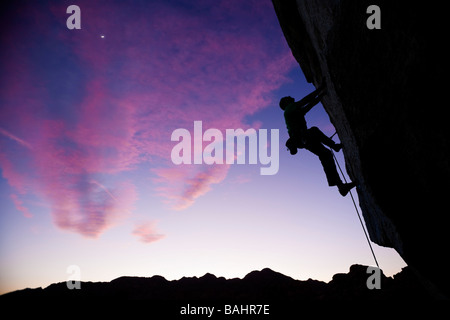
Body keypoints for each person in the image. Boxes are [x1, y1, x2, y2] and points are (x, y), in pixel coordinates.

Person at [279, 83, 356, 196]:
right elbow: (306, 101)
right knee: (315, 131)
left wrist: (321, 95)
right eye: (287, 98)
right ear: (286, 103)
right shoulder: (289, 109)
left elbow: (308, 106)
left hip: (303, 141)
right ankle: (334, 146)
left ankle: (341, 187)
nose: (290, 97)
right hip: (303, 138)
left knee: (325, 155)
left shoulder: (293, 111)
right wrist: (320, 90)